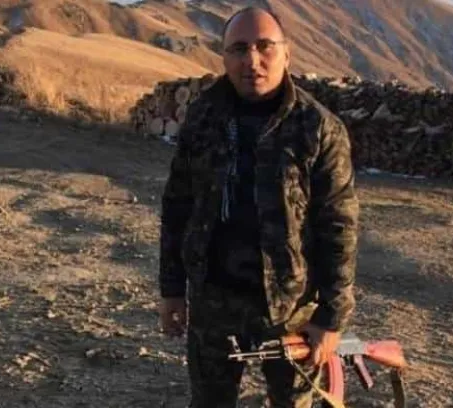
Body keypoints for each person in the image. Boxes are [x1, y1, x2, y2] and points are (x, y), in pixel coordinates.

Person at [158, 6, 359, 408]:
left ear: (287, 53)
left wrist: (331, 317)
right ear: (224, 57)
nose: (252, 60)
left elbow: (338, 225)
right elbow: (178, 205)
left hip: (290, 308)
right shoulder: (202, 117)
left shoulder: (318, 128)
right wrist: (172, 290)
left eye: (264, 46)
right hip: (212, 299)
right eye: (238, 48)